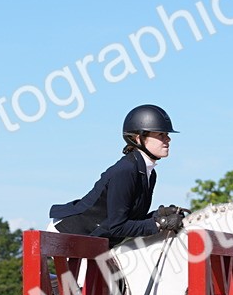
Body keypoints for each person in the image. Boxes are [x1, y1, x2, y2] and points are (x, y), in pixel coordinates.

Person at [48, 104, 187, 244]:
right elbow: (118, 227)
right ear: (138, 138)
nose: (168, 139)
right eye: (160, 134)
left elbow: (132, 221)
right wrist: (160, 223)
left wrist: (159, 215)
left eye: (167, 135)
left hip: (94, 239)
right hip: (67, 234)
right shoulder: (126, 171)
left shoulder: (149, 173)